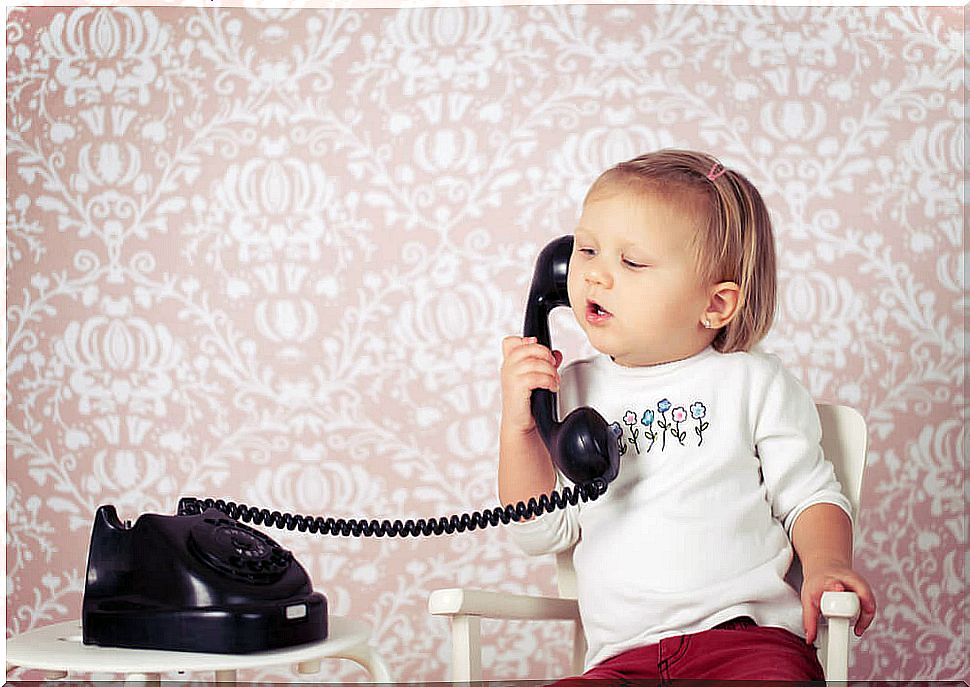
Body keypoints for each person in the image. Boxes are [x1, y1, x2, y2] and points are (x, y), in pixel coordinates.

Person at [498, 149, 876, 681]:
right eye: (586, 250)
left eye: (631, 262)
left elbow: (809, 495)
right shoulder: (571, 391)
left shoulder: (750, 382)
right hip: (620, 660)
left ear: (716, 305)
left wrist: (827, 564)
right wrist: (522, 427)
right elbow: (540, 533)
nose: (595, 277)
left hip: (746, 644)